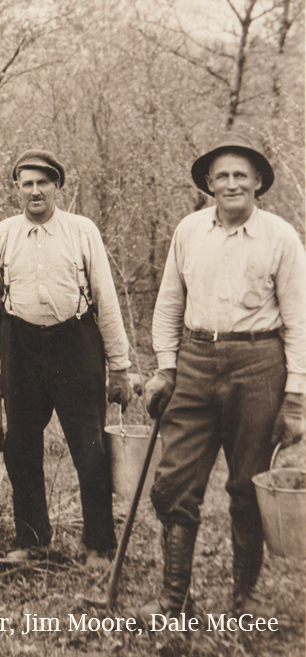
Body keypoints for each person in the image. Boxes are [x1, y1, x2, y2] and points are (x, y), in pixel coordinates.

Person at [137, 132, 305, 620]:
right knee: (172, 483)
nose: (232, 184)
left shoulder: (281, 237)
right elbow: (169, 303)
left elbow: (299, 322)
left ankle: (242, 601)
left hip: (259, 365)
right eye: (222, 176)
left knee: (248, 487)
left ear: (258, 182)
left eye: (241, 175)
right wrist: (165, 367)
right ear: (209, 183)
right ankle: (174, 600)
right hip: (194, 362)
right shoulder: (189, 230)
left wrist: (295, 399)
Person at [0, 150, 132, 569]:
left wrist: (119, 365)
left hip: (75, 343)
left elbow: (105, 298)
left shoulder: (82, 231)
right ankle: (31, 540)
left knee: (90, 446)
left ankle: (98, 545)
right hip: (20, 345)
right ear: (17, 189)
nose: (35, 191)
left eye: (42, 183)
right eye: (26, 183)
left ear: (56, 187)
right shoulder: (4, 234)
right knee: (20, 447)